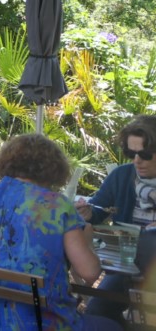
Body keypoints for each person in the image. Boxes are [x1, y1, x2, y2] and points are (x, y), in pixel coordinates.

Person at [0, 134, 121, 331]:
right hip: (46, 323)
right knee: (112, 326)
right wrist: (86, 233)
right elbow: (90, 272)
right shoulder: (57, 206)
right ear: (53, 168)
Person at [76, 114, 156, 326]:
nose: (136, 160)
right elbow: (97, 209)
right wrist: (87, 213)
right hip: (125, 264)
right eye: (131, 153)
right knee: (96, 313)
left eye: (145, 154)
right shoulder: (122, 175)